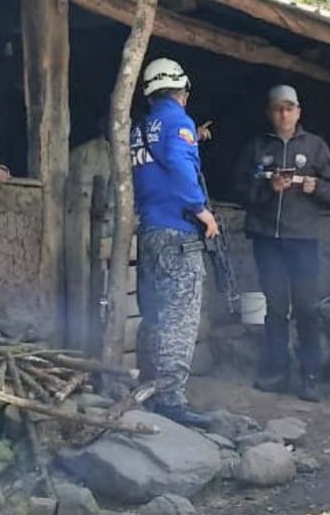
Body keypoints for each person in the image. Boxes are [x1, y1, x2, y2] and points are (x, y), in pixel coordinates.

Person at [234, 85, 330, 402]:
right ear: (269, 113)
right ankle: (277, 373)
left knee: (307, 308)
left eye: (289, 108)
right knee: (276, 309)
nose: (284, 114)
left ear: (298, 112)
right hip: (267, 238)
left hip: (303, 239)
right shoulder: (257, 146)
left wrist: (316, 187)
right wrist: (268, 188)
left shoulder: (315, 146)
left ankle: (311, 377)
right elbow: (239, 190)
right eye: (277, 108)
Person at [129, 58, 219, 428]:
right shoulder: (177, 122)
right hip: (178, 232)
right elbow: (181, 166)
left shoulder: (140, 127)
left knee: (154, 314)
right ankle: (171, 399)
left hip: (150, 230)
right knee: (179, 317)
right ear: (183, 92)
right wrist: (201, 210)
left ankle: (149, 388)